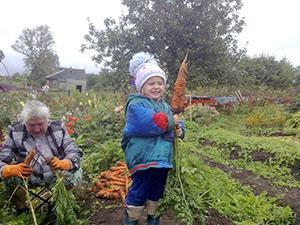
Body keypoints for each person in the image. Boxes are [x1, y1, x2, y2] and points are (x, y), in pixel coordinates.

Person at [121, 52, 184, 225]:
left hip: (161, 159)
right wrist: (172, 122)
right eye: (151, 83)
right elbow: (151, 123)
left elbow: (173, 123)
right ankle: (131, 220)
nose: (156, 87)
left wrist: (180, 130)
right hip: (143, 158)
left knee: (157, 192)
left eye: (160, 83)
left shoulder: (164, 105)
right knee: (139, 191)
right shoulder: (135, 104)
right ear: (141, 86)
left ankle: (153, 220)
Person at [0, 100, 83, 214]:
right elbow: (2, 159)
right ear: (24, 123)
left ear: (46, 120)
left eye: (40, 124)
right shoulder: (15, 131)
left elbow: (74, 152)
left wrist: (64, 163)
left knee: (75, 172)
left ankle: (58, 208)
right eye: (31, 125)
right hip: (28, 177)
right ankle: (22, 211)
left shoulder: (57, 128)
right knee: (9, 178)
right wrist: (9, 169)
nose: (36, 129)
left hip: (57, 175)